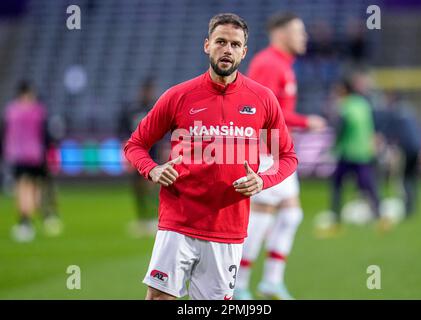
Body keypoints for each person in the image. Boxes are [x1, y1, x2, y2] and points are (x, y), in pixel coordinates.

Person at [124, 13, 298, 300]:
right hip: (179, 221)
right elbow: (135, 144)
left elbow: (288, 156)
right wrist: (152, 170)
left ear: (244, 51)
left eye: (234, 44)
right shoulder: (178, 96)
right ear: (207, 45)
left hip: (227, 228)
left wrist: (263, 182)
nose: (227, 49)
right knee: (159, 298)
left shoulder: (263, 99)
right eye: (220, 42)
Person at [234, 12, 326, 300]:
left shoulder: (282, 64)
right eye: (299, 31)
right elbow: (261, 108)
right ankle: (240, 285)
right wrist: (304, 121)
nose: (304, 37)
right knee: (261, 219)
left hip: (276, 150)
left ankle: (270, 281)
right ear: (281, 34)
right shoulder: (269, 63)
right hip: (264, 152)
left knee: (290, 214)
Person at [319, 76, 387, 237]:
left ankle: (336, 220)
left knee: (337, 186)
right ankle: (380, 218)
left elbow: (341, 127)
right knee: (369, 186)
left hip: (348, 152)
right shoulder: (363, 103)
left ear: (343, 89)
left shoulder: (344, 105)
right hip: (364, 152)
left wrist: (334, 146)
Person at [1, 81, 49, 242]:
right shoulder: (37, 111)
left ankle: (25, 221)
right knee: (31, 188)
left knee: (23, 189)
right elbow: (44, 134)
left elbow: (5, 133)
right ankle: (29, 219)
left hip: (18, 155)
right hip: (34, 155)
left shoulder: (11, 111)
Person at [119, 79, 166, 237]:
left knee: (152, 188)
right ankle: (142, 219)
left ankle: (154, 218)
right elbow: (124, 132)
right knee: (138, 188)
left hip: (153, 154)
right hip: (137, 154)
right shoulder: (133, 109)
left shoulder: (156, 108)